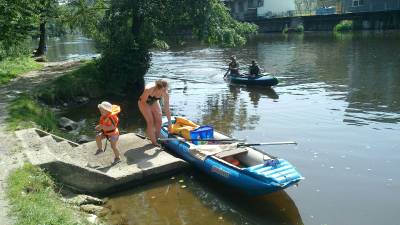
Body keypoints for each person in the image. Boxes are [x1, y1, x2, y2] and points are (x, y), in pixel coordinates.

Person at [138, 79, 172, 145]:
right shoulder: (149, 89)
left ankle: (155, 139)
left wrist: (170, 123)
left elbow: (167, 109)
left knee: (159, 120)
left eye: (166, 89)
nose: (165, 92)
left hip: (154, 101)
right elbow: (143, 101)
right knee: (150, 121)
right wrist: (150, 111)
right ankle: (154, 143)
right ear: (158, 87)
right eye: (163, 90)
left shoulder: (165, 93)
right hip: (143, 102)